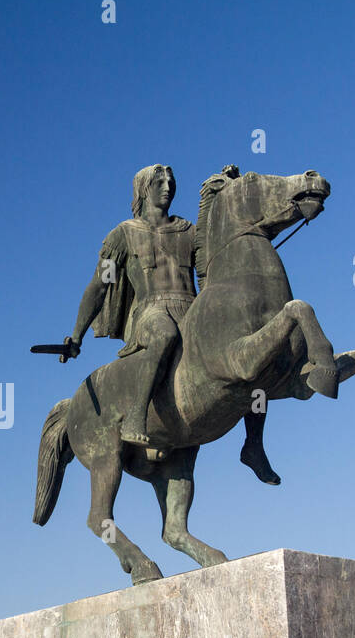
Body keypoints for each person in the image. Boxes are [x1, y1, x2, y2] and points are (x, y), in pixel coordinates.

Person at [65, 163, 280, 483]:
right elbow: (100, 286)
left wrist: (230, 190)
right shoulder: (124, 234)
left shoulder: (189, 231)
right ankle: (136, 417)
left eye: (170, 180)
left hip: (192, 310)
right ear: (143, 189)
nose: (168, 186)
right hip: (151, 312)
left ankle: (253, 444)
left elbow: (219, 246)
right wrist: (76, 336)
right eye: (159, 181)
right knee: (164, 336)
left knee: (252, 355)